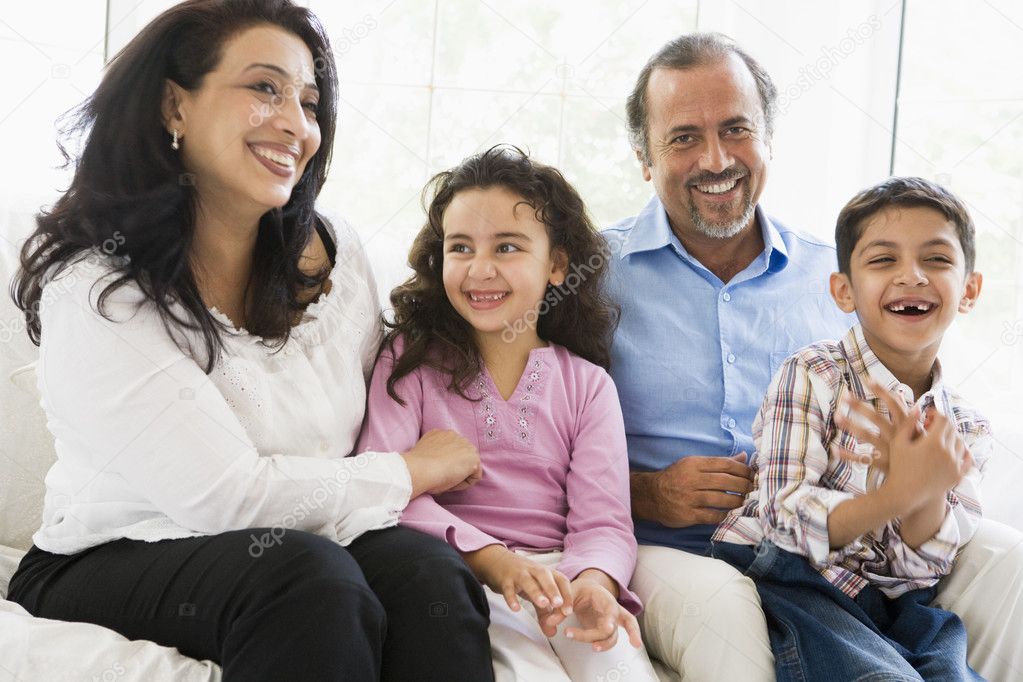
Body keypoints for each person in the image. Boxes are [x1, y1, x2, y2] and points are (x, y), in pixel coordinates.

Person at [6, 2, 493, 680]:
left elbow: (389, 406)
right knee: (308, 579)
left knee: (427, 578)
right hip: (112, 552)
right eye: (264, 87)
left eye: (310, 100)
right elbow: (227, 497)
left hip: (300, 542)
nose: (297, 124)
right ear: (175, 105)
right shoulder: (99, 290)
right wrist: (408, 469)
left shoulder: (335, 251)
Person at [605, 32, 1023, 681]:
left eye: (736, 129)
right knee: (730, 608)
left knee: (1007, 564)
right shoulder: (587, 278)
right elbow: (538, 435)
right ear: (643, 156)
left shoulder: (839, 274)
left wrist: (912, 493)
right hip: (677, 551)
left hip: (849, 563)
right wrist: (641, 492)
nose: (715, 158)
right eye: (683, 137)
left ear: (767, 137)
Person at [356, 145, 659, 681]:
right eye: (461, 247)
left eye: (508, 247)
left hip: (561, 578)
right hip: (459, 577)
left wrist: (594, 584)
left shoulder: (587, 386)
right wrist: (493, 561)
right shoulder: (407, 363)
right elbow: (381, 492)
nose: (480, 269)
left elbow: (604, 520)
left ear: (557, 266)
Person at [713, 177, 986, 681]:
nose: (913, 276)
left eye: (937, 260)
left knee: (950, 663)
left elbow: (921, 571)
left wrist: (923, 495)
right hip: (789, 575)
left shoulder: (964, 427)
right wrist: (892, 496)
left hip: (891, 601)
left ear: (968, 290)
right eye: (883, 260)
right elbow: (782, 517)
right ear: (844, 290)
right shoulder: (813, 374)